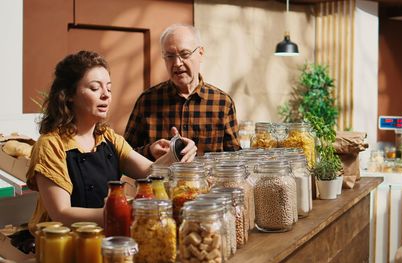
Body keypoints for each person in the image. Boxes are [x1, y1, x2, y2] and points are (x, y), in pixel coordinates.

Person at [26, 50, 197, 230]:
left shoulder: (107, 137)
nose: (106, 95)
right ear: (68, 94)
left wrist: (176, 153)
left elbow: (150, 172)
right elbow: (61, 213)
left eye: (108, 88)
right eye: (94, 88)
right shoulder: (51, 145)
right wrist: (125, 212)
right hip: (64, 245)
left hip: (106, 238)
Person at [124, 23, 241, 159]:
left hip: (206, 180)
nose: (177, 63)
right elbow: (124, 155)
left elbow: (235, 160)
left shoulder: (222, 103)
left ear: (201, 53)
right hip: (161, 180)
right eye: (169, 56)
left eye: (184, 54)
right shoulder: (147, 100)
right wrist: (149, 151)